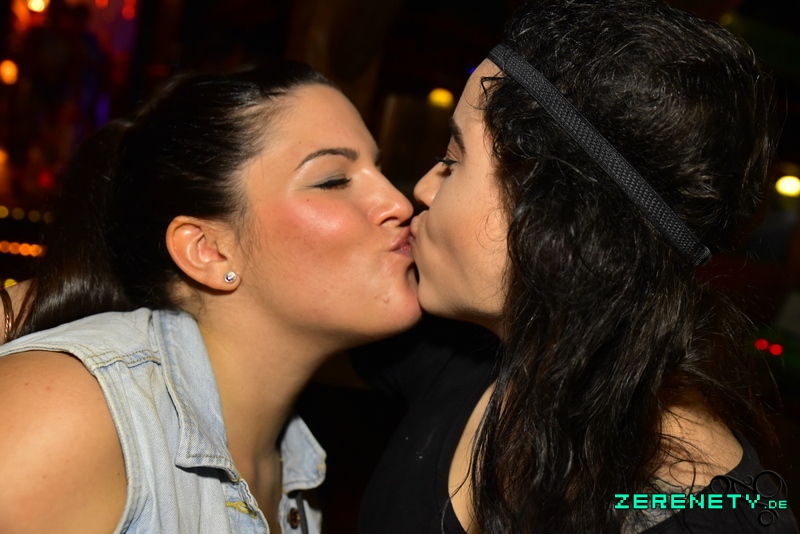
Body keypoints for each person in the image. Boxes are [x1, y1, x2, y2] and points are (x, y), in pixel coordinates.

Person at [352, 0, 799, 532]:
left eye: (453, 160)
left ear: (558, 215)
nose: (423, 189)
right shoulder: (453, 354)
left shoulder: (720, 522)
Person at [0, 62, 421, 533]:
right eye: (333, 180)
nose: (399, 204)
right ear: (208, 250)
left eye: (378, 167)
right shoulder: (76, 415)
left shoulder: (295, 469)